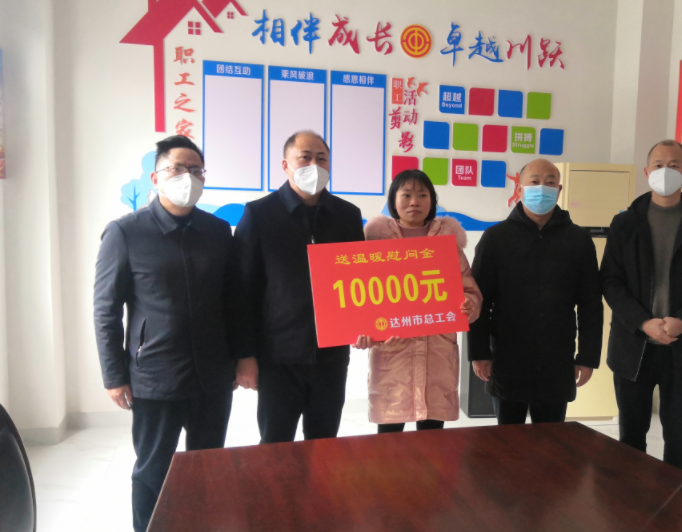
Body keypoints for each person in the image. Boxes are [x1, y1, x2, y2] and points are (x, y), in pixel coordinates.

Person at [93, 135, 236, 532]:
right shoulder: (125, 232)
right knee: (153, 470)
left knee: (208, 464)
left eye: (195, 170)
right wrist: (114, 375)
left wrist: (240, 358)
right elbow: (106, 309)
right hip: (155, 376)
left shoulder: (217, 231)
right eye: (177, 168)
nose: (187, 176)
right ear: (156, 177)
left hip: (212, 375)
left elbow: (233, 300)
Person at [601, 139, 682, 473]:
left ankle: (678, 503)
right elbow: (611, 282)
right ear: (646, 172)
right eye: (658, 165)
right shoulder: (625, 223)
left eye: (674, 165)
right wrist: (643, 322)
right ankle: (631, 501)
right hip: (633, 346)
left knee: (678, 437)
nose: (665, 171)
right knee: (631, 437)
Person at [231, 130, 364, 443]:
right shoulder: (259, 214)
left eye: (321, 158)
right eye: (305, 157)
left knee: (324, 443)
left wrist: (365, 326)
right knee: (275, 444)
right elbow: (242, 292)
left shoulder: (347, 215)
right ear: (285, 164)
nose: (314, 165)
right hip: (278, 357)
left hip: (332, 357)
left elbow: (359, 281)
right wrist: (245, 355)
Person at [469, 158, 604, 424]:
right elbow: (478, 302)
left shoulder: (578, 240)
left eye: (550, 182)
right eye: (534, 182)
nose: (542, 188)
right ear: (519, 189)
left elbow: (590, 304)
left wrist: (588, 357)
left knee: (552, 440)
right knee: (507, 440)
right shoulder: (495, 238)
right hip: (507, 359)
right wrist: (479, 352)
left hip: (557, 360)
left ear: (559, 190)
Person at [353, 170, 482, 433]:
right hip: (392, 353)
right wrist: (358, 331)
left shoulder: (447, 244)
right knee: (390, 435)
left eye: (422, 195)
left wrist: (470, 304)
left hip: (437, 352)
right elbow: (359, 297)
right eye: (407, 195)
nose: (415, 202)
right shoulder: (374, 244)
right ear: (393, 199)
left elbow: (468, 288)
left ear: (432, 201)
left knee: (432, 434)